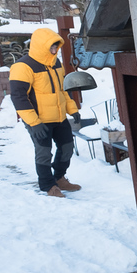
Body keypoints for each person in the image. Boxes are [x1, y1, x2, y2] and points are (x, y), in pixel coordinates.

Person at [9, 27, 82, 197]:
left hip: (59, 116)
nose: (55, 50)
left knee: (67, 147)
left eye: (56, 47)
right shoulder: (22, 66)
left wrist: (72, 110)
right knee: (43, 153)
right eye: (51, 47)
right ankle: (48, 186)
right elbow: (19, 97)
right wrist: (34, 122)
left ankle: (59, 177)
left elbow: (63, 90)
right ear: (41, 45)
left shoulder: (56, 64)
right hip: (38, 120)